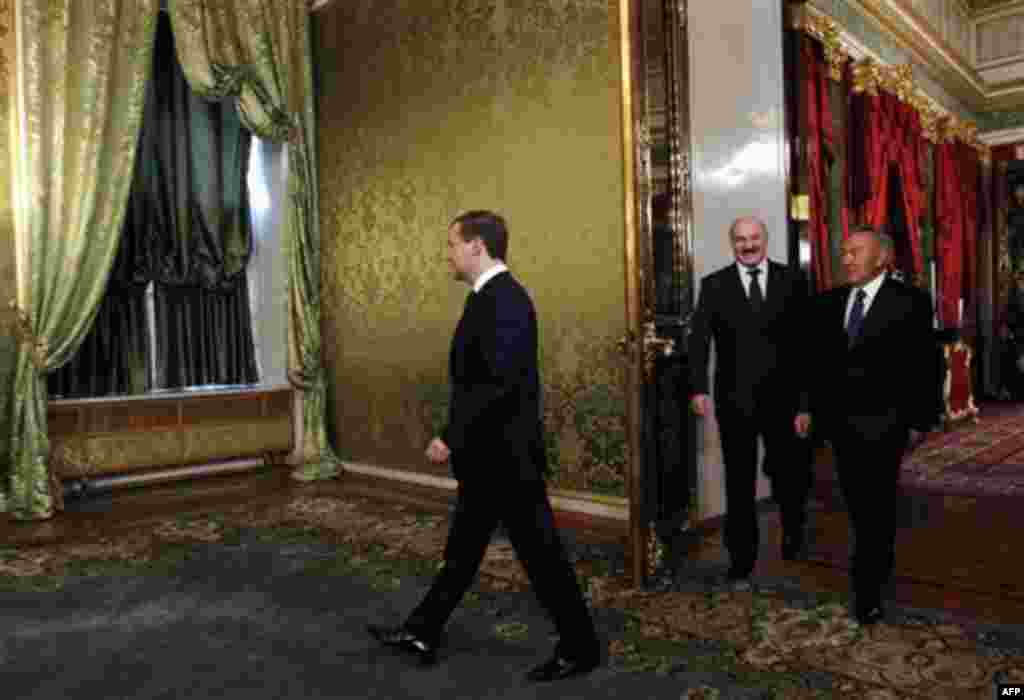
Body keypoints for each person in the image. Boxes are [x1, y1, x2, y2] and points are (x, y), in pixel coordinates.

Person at [367, 210, 601, 682]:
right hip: (491, 456)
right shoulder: (487, 298)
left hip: (508, 459)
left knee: (542, 556)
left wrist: (450, 435)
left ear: (478, 246)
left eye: (452, 244)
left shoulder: (506, 301)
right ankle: (424, 628)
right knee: (463, 550)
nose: (447, 254)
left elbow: (497, 385)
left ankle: (581, 648)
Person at [807, 226, 937, 625]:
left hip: (885, 424)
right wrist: (811, 410)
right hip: (841, 426)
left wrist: (920, 420)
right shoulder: (829, 303)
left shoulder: (910, 301)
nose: (845, 259)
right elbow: (817, 366)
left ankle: (870, 591)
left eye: (855, 252)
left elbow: (925, 365)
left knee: (875, 508)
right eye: (843, 252)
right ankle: (869, 575)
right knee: (857, 504)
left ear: (881, 258)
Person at [688, 216, 813, 588]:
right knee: (739, 483)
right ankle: (741, 558)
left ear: (765, 239)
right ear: (733, 243)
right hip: (735, 403)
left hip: (785, 402)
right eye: (741, 239)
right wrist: (698, 388)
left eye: (754, 238)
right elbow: (698, 341)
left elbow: (807, 347)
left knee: (789, 475)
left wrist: (806, 404)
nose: (748, 245)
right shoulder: (714, 285)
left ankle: (793, 536)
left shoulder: (792, 280)